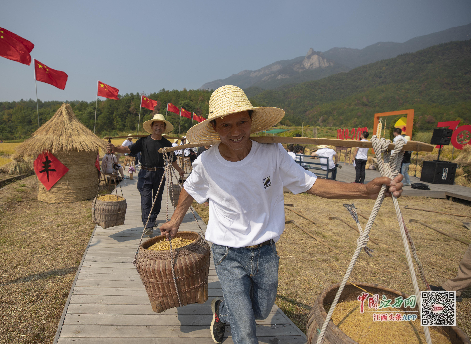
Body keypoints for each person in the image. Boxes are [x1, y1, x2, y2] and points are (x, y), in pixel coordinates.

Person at [159, 85, 403, 344]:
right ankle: (233, 314)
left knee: (261, 309)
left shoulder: (272, 154)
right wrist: (175, 220)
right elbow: (189, 188)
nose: (236, 132)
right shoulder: (207, 162)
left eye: (242, 122)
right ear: (216, 129)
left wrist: (365, 190)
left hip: (265, 250)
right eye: (226, 126)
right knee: (246, 330)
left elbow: (313, 184)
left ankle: (223, 311)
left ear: (251, 121)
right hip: (227, 251)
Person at [109, 114, 184, 235]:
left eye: (161, 126)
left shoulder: (167, 143)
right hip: (145, 173)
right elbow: (128, 150)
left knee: (157, 200)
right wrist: (115, 149)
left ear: (164, 128)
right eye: (156, 125)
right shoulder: (143, 141)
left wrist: (179, 170)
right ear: (152, 127)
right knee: (146, 199)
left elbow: (172, 159)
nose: (158, 128)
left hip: (160, 173)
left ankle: (152, 218)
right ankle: (148, 225)